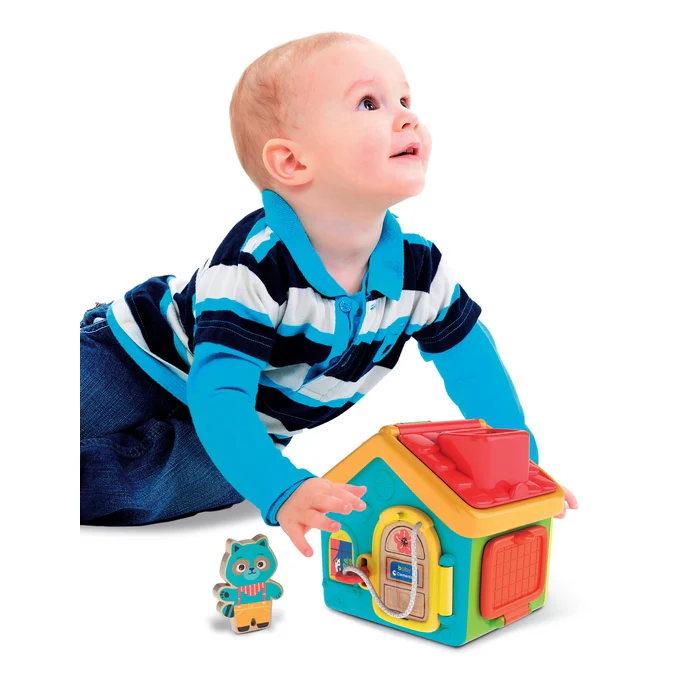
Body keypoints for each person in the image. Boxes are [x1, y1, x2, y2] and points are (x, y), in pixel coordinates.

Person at [80, 32, 577, 556]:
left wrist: (516, 463)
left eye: (405, 100)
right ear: (292, 163)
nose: (407, 117)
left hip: (248, 426)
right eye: (369, 103)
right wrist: (281, 486)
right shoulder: (256, 265)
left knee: (171, 485)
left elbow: (474, 366)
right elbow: (218, 391)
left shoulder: (420, 272)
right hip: (138, 360)